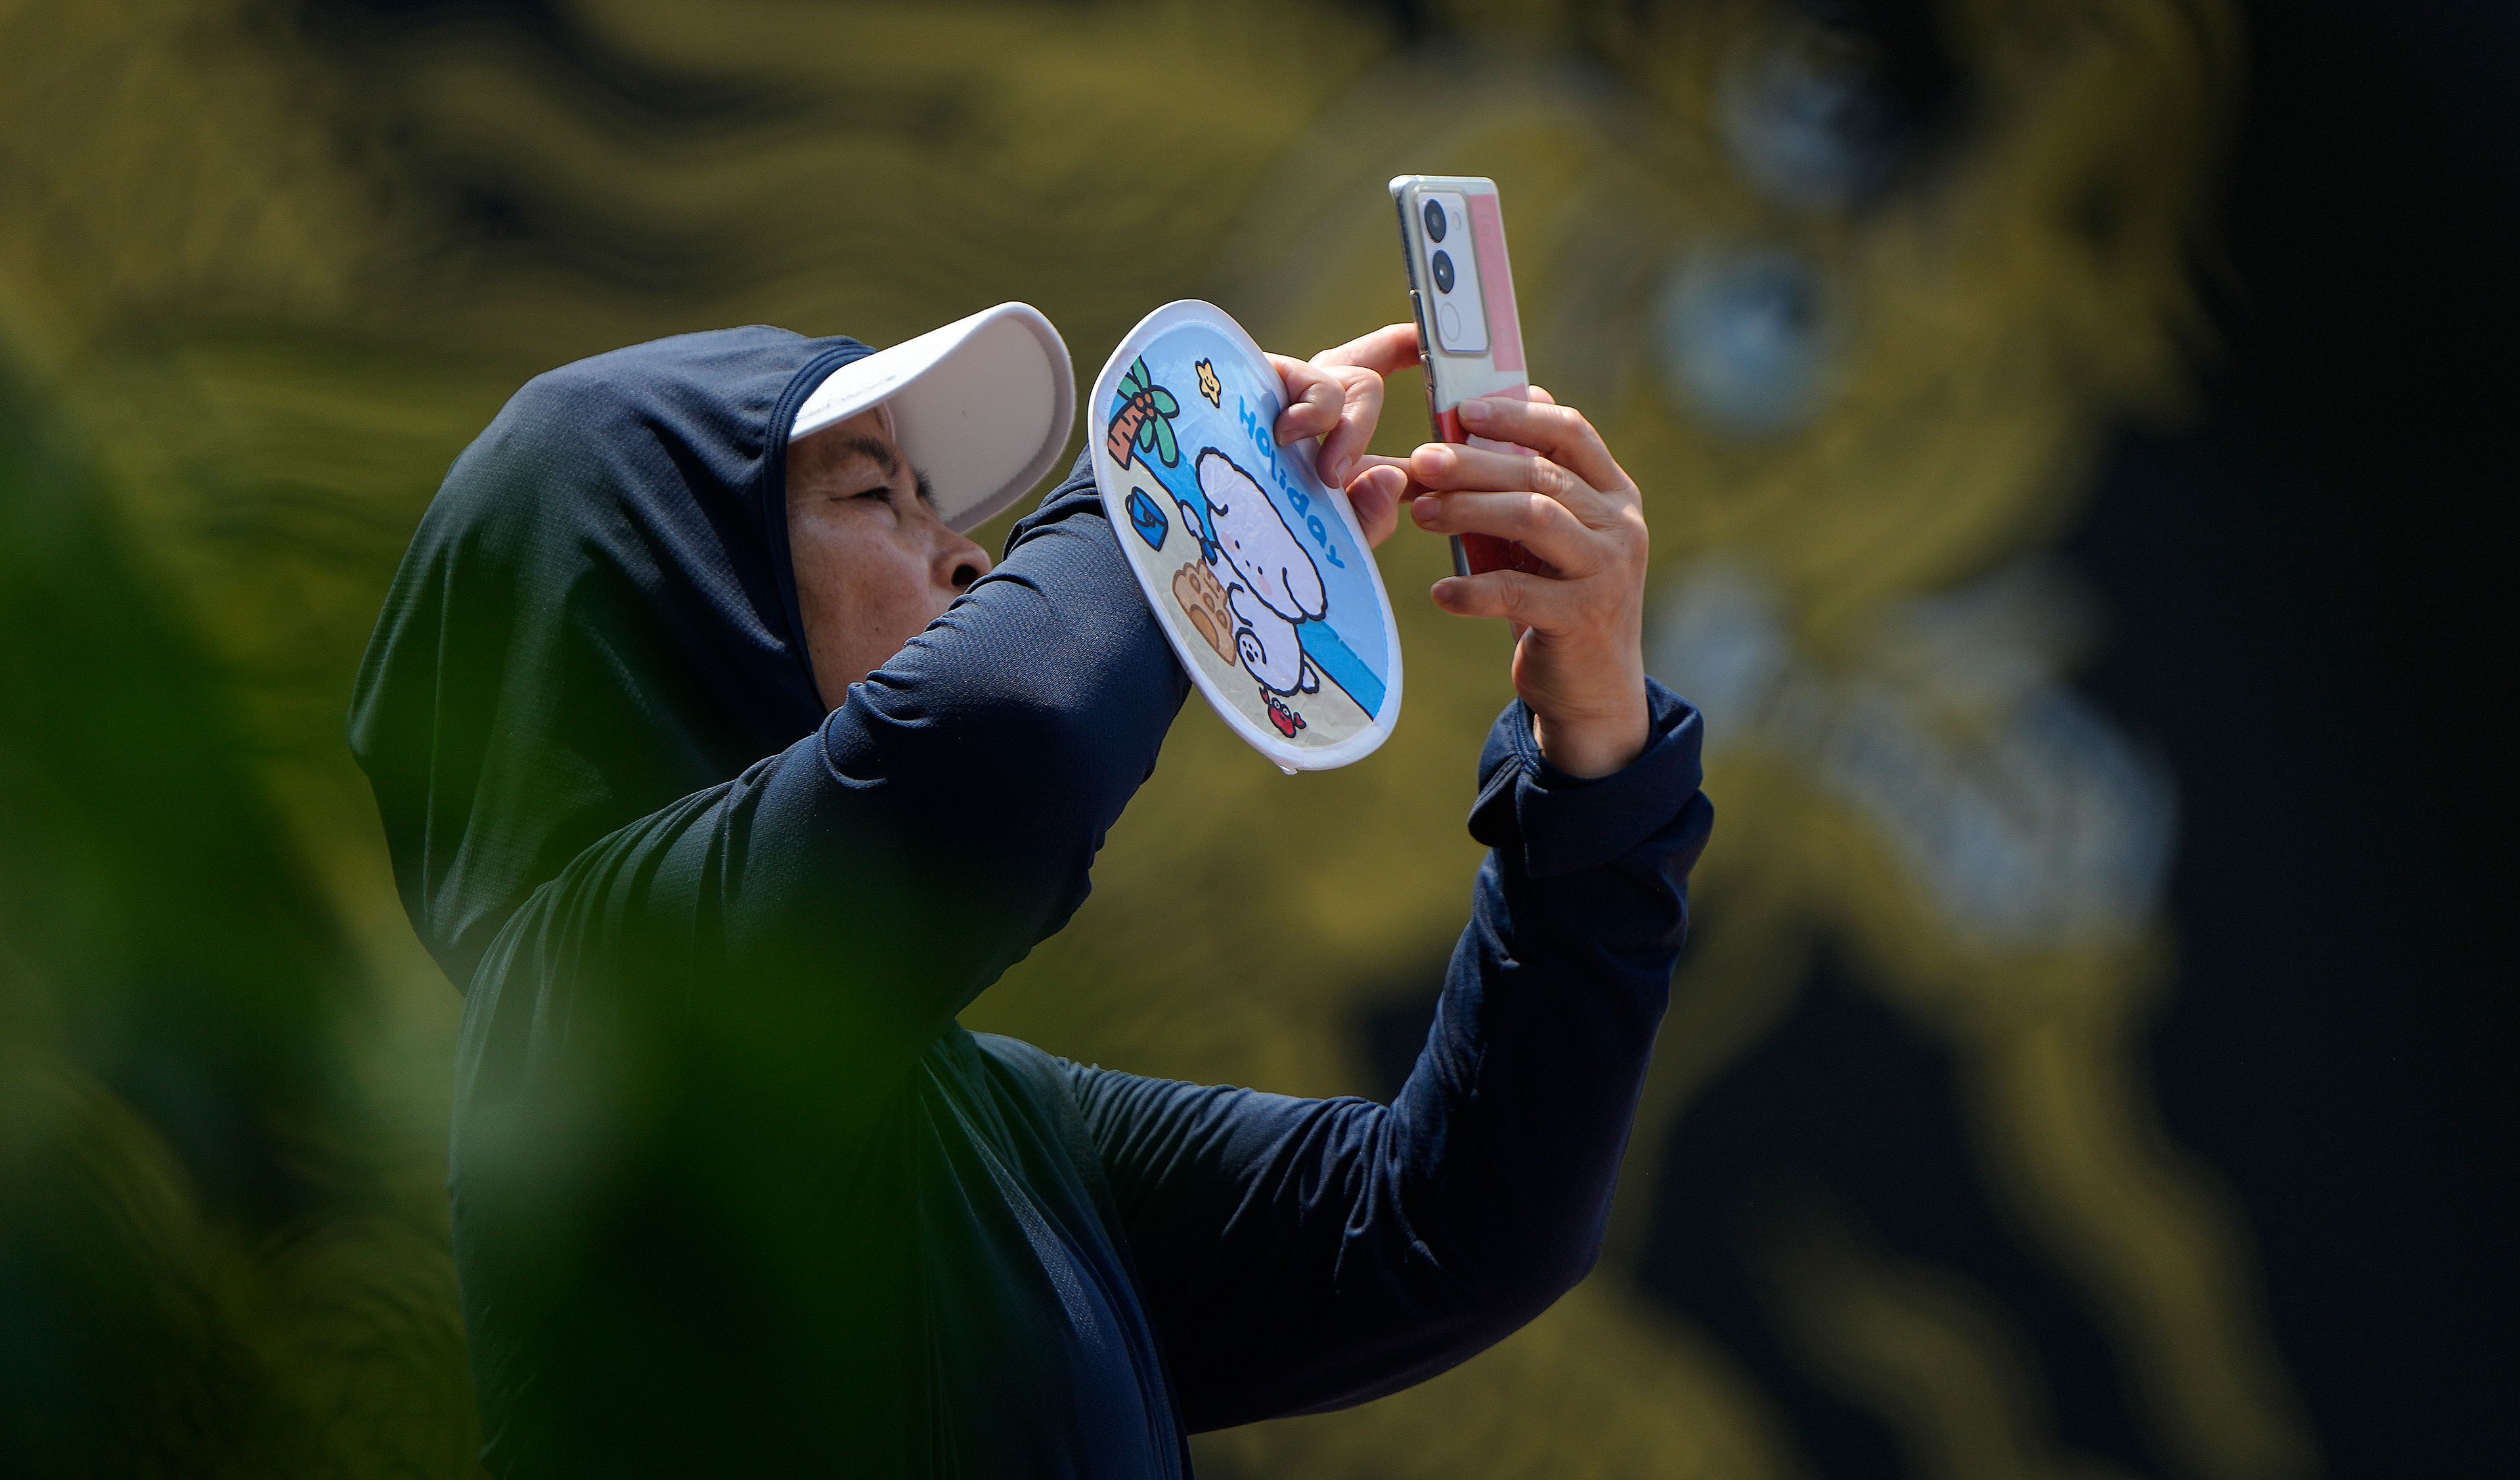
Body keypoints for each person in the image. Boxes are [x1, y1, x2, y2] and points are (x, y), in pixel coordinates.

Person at [349, 314, 1708, 1477]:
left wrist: (1590, 756)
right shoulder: (583, 1021)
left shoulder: (997, 1119)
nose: (972, 558)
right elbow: (1008, 735)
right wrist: (1190, 471)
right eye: (877, 496)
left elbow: (1461, 1222)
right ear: (676, 594)